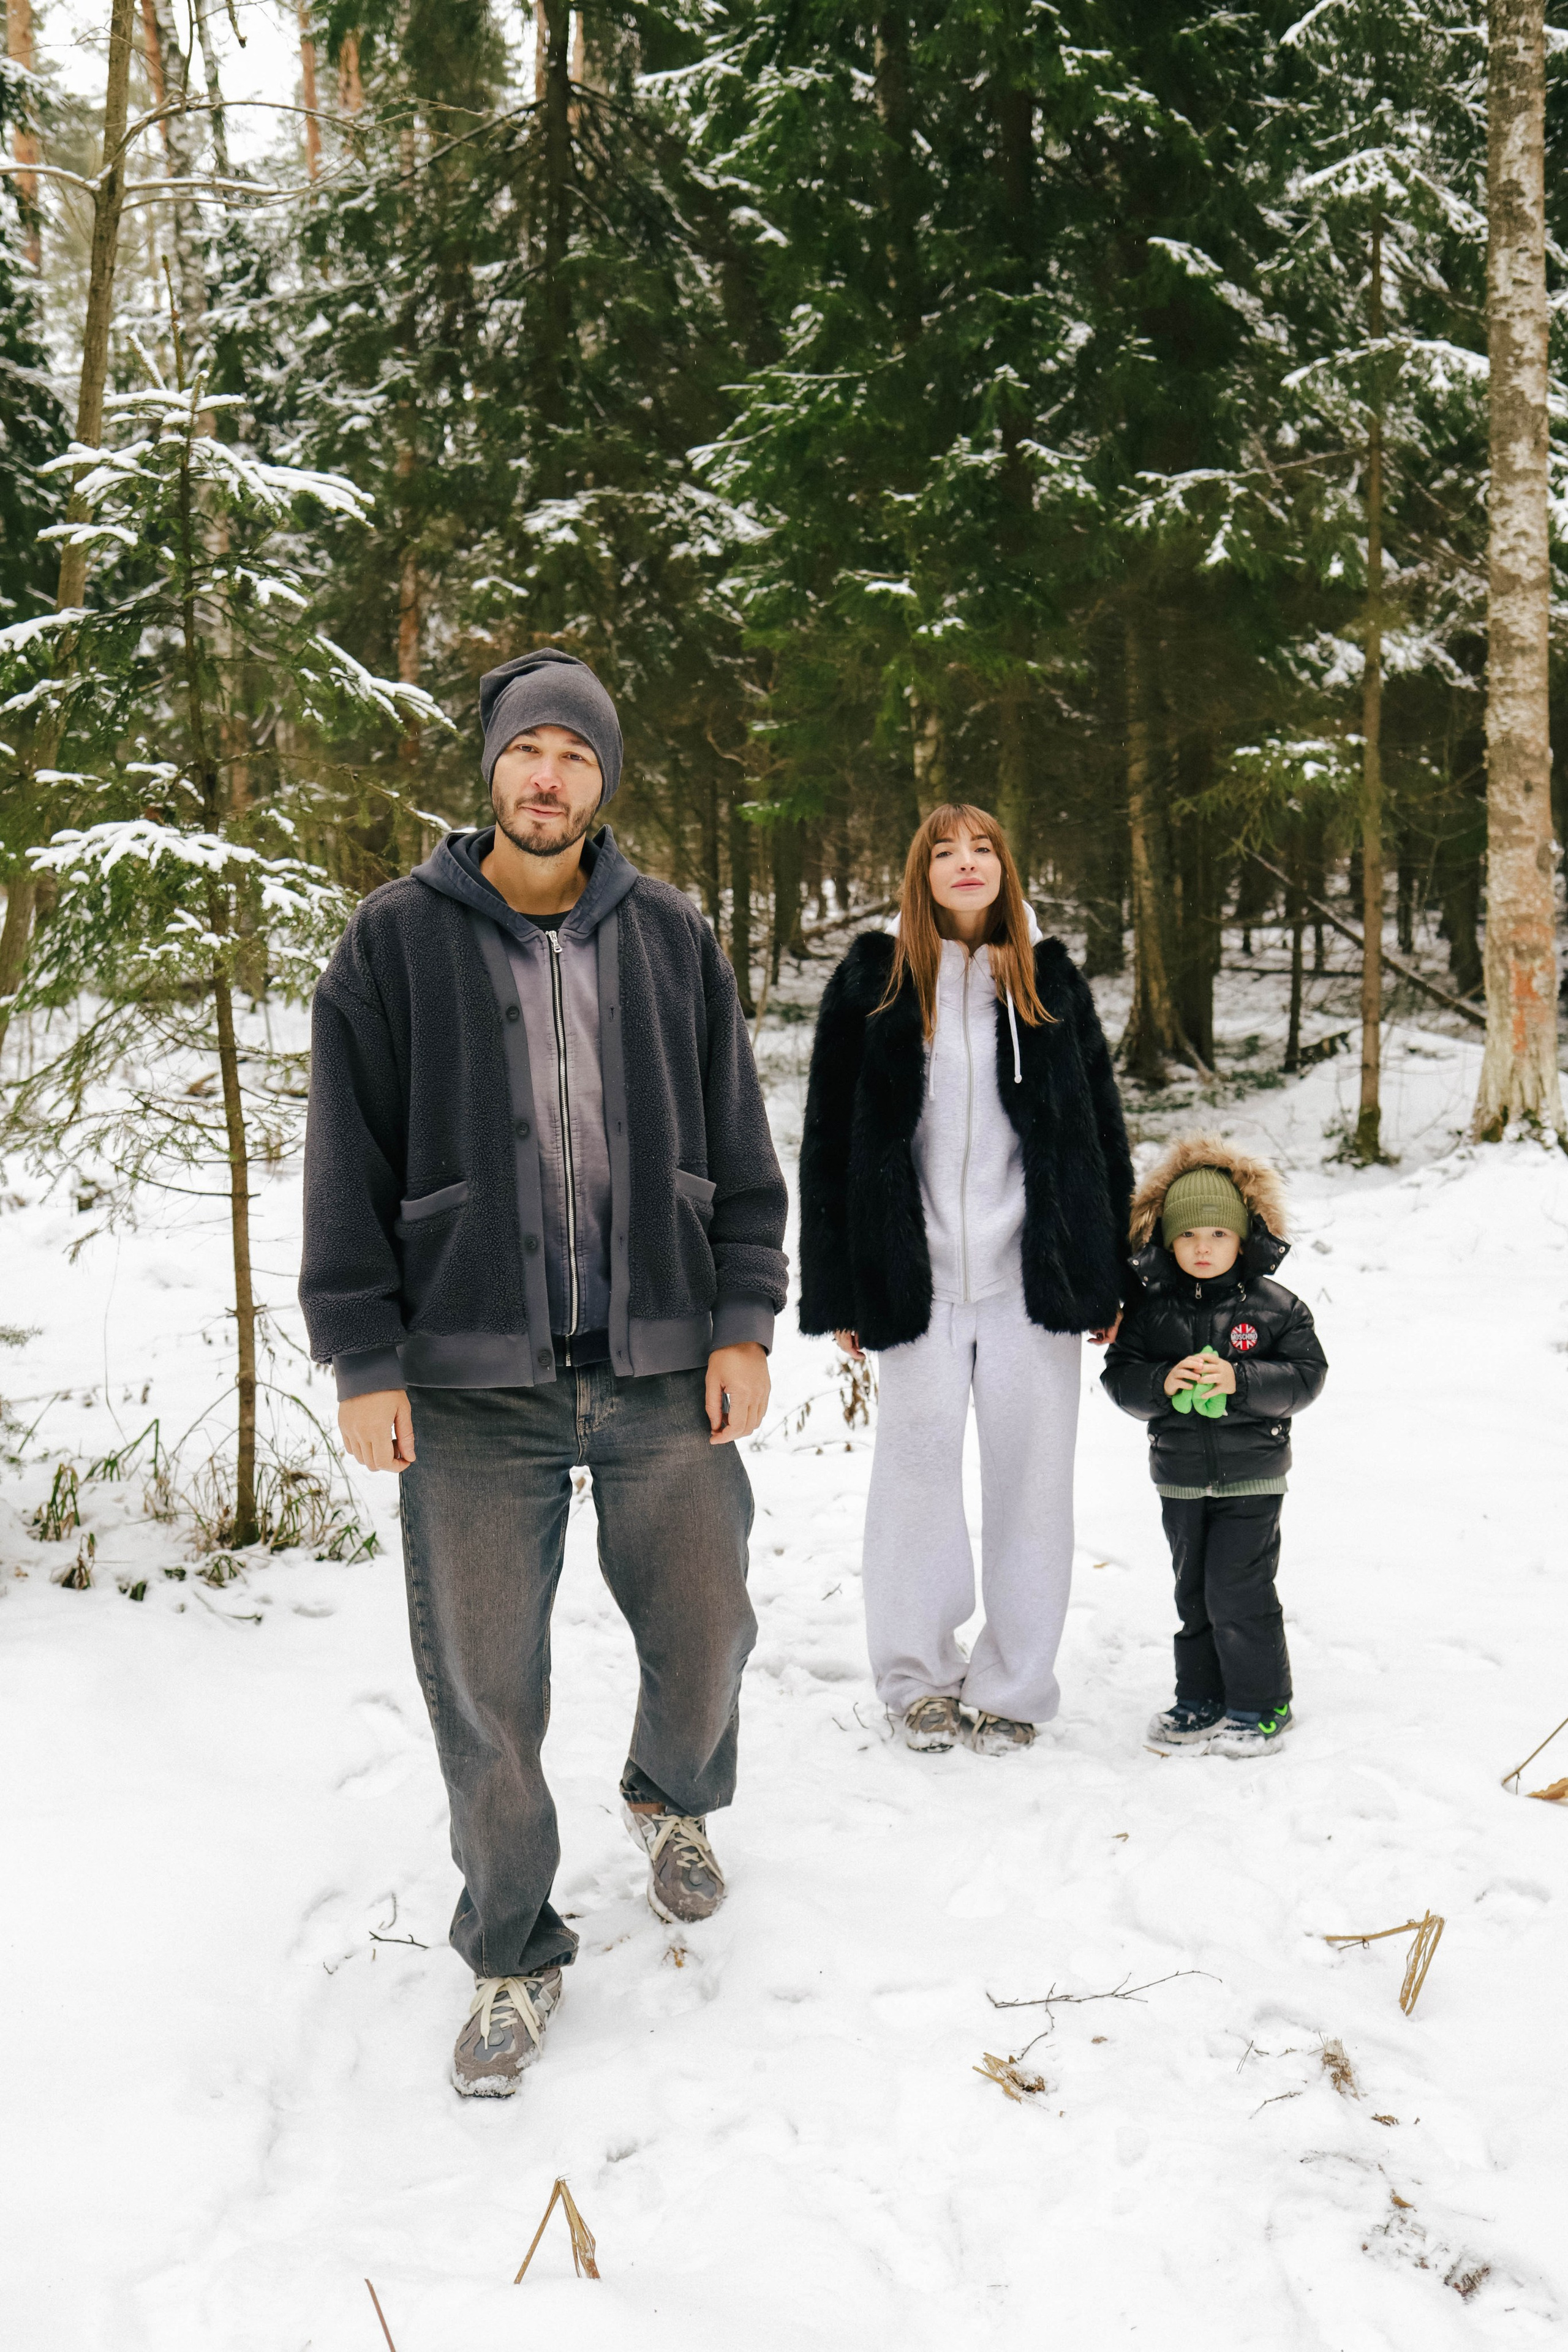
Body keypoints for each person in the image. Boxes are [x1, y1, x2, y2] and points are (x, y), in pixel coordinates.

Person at [299, 648, 788, 2097]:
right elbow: (346, 1165)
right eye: (529, 749)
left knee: (706, 1629)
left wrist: (743, 1319)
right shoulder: (394, 941)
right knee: (484, 1693)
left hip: (656, 1365)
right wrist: (364, 1356)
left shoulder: (671, 939)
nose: (547, 775)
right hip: (466, 1386)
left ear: (603, 783)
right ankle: (512, 1947)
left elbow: (739, 1153)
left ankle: (670, 1791)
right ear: (493, 769)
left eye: (576, 754)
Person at [797, 804, 1132, 1756]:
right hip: (919, 1281)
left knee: (1034, 1484)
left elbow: (1100, 1129)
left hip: (1035, 1280)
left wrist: (1104, 1275)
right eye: (945, 851)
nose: (966, 861)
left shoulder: (1050, 983)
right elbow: (828, 1139)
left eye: (983, 847)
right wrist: (841, 1288)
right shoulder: (875, 981)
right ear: (922, 876)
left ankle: (1016, 1686)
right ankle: (917, 1680)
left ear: (1006, 870)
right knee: (914, 1483)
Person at [1100, 1137, 1328, 1757]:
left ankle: (1260, 1703)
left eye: (1218, 1235)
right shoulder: (1150, 1313)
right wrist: (1158, 1383)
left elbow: (1307, 1377)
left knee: (1238, 1587)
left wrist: (1243, 1380)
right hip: (1178, 1476)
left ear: (1243, 1238)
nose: (1203, 1248)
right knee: (1193, 1591)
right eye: (1188, 1235)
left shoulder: (1276, 1309)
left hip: (1252, 1474)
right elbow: (1120, 1377)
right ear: (1167, 1241)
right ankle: (1199, 1696)